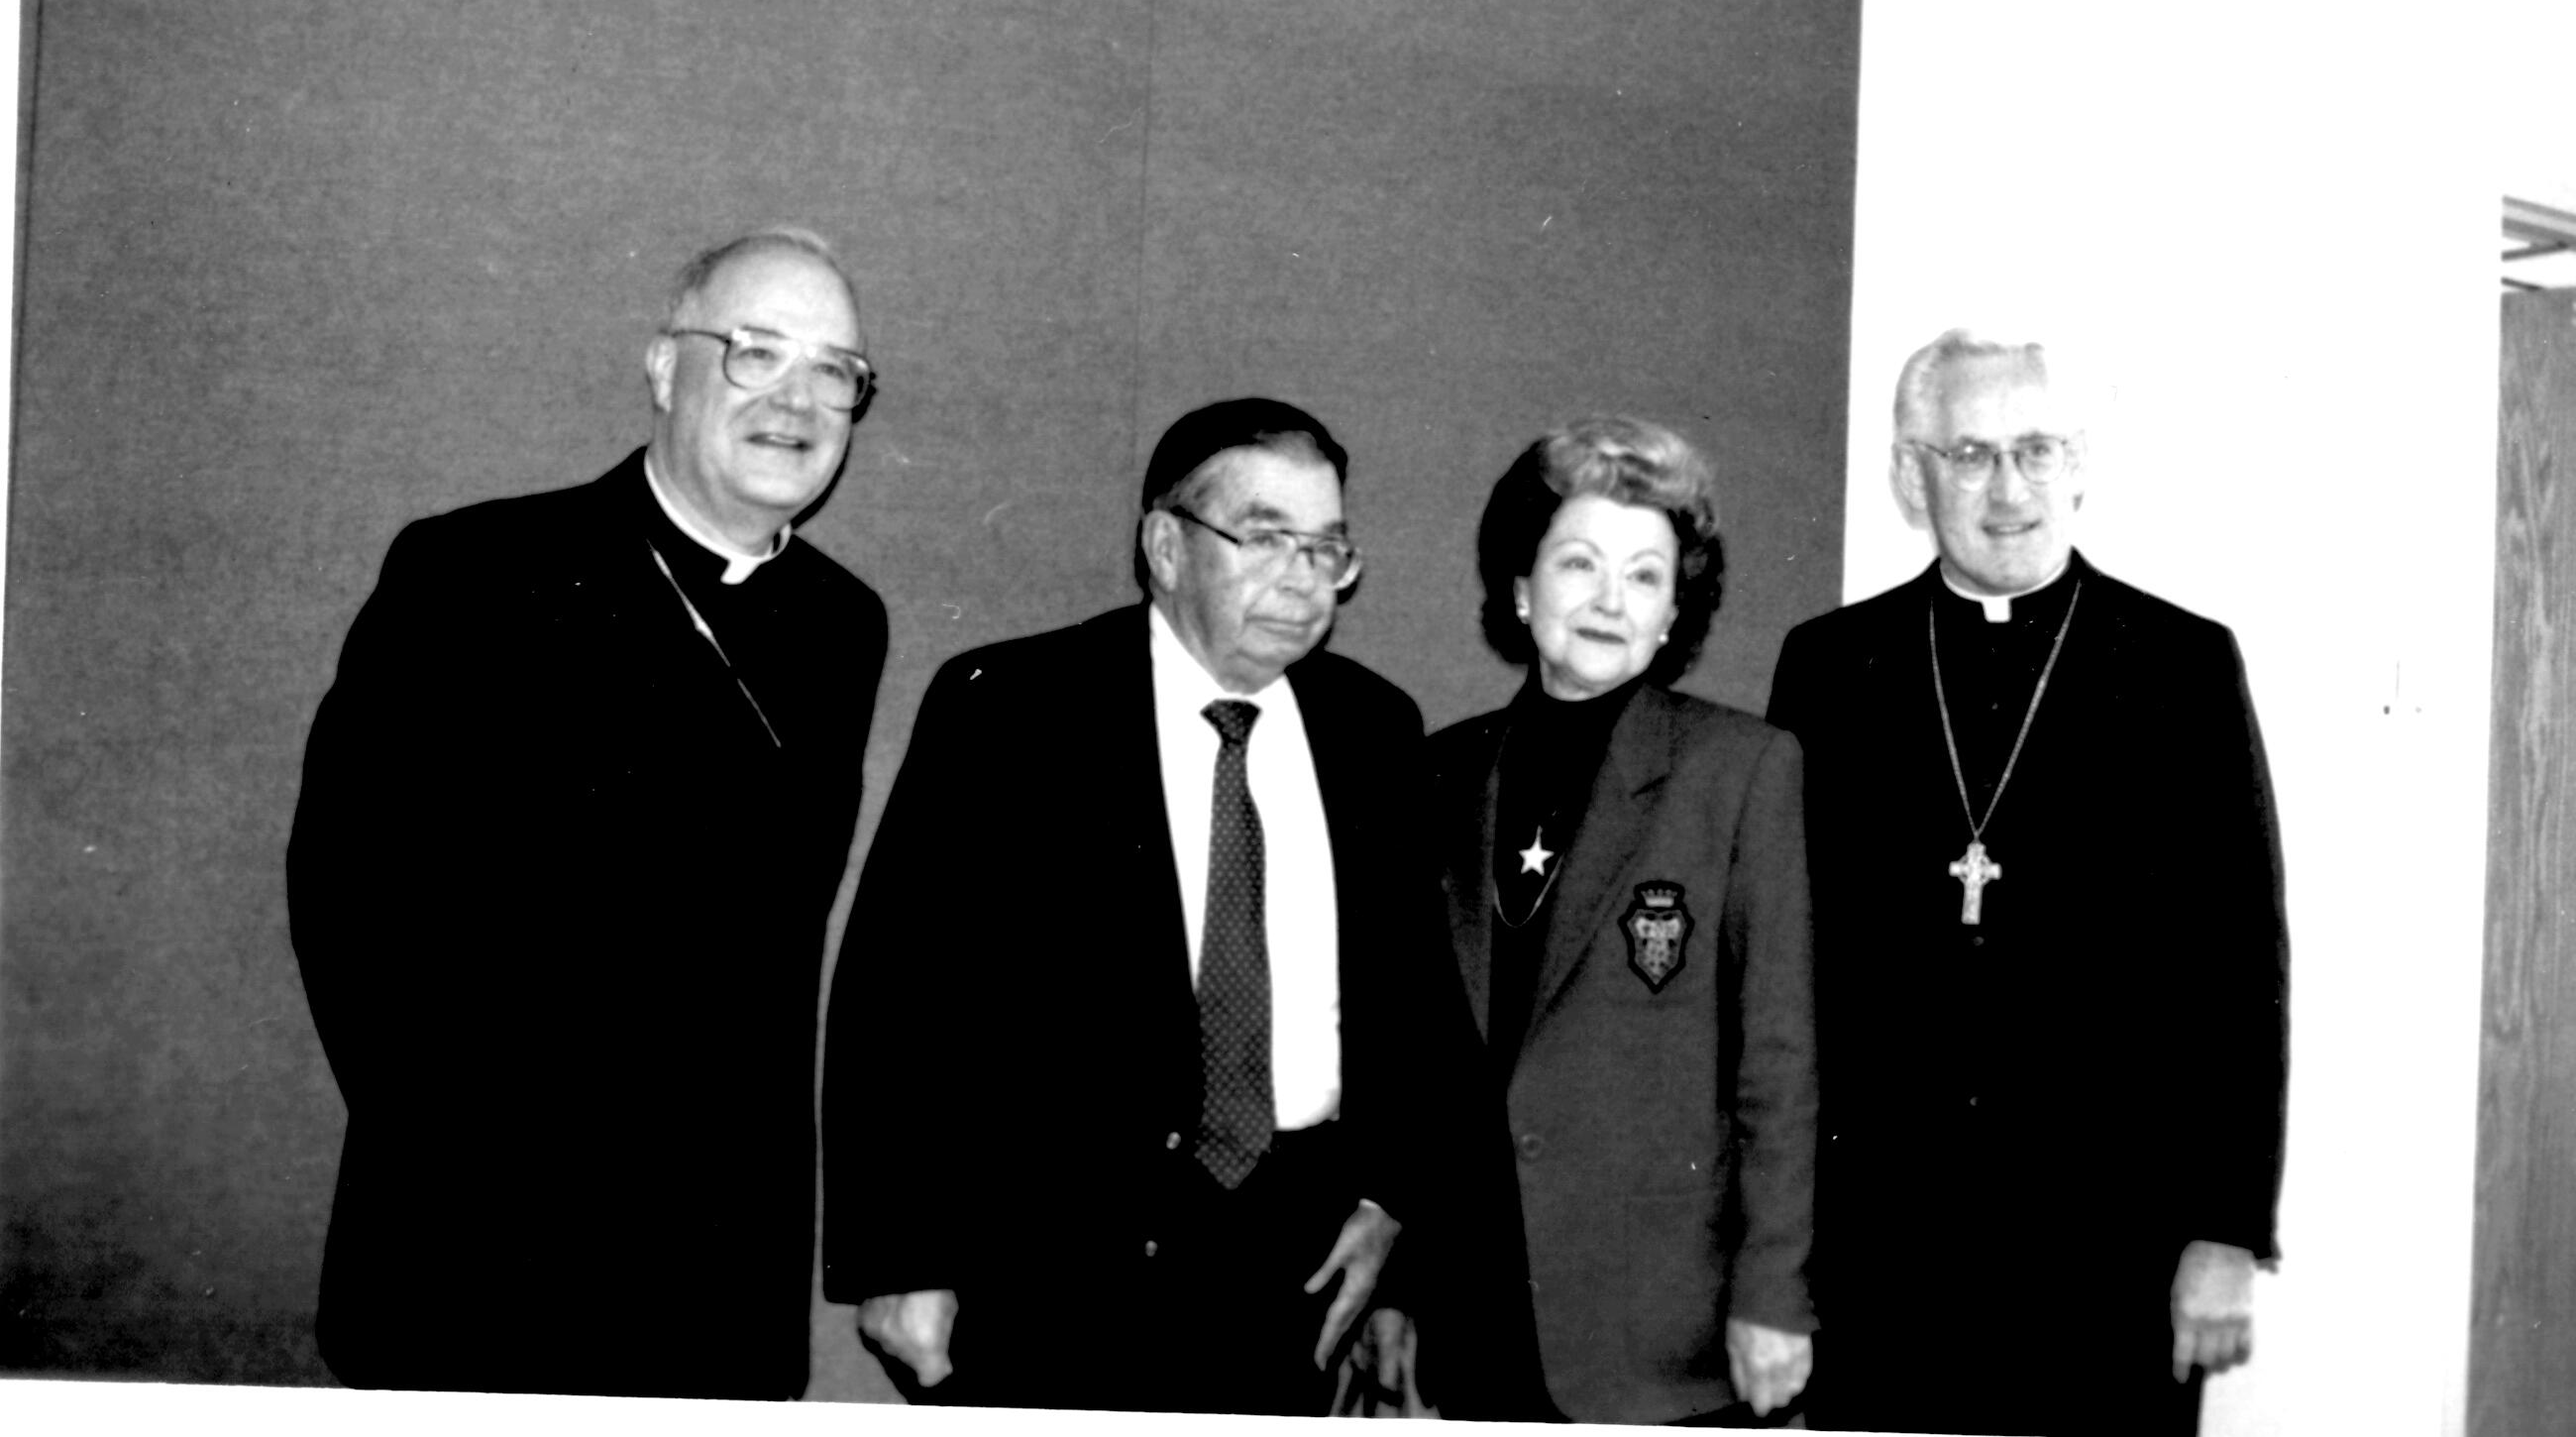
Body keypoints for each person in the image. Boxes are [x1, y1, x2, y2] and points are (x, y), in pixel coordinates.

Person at [285, 228, 890, 1399]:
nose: (797, 400)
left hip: (715, 1295)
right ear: (665, 367)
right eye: (756, 352)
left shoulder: (842, 625)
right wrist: (475, 1180)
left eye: (835, 370)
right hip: (481, 1272)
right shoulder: (478, 572)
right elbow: (349, 903)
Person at [822, 397, 1482, 1415]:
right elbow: (895, 988)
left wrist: (1393, 1201)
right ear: (1166, 546)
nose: (1303, 578)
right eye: (1267, 538)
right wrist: (900, 1258)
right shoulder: (1012, 705)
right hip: (1052, 1264)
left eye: (1327, 548)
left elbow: (1418, 1005)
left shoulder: (1374, 728)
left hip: (1292, 1266)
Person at [1767, 330, 2289, 1436]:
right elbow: (1786, 967)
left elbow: (2242, 966)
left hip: (2111, 1248)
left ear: (2079, 464)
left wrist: (2228, 1230)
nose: (2008, 491)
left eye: (2036, 450)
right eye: (1970, 456)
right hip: (1882, 1244)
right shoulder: (1831, 666)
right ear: (1911, 474)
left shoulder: (2180, 666)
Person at [1424, 415, 1819, 1424]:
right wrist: (1403, 1291)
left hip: (1658, 1321)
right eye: (1579, 563)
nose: (1609, 599)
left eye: (1644, 576)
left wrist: (1774, 1293)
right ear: (1522, 585)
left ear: (1674, 611)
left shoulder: (1741, 770)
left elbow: (1778, 1061)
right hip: (1476, 1298)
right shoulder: (1442, 772)